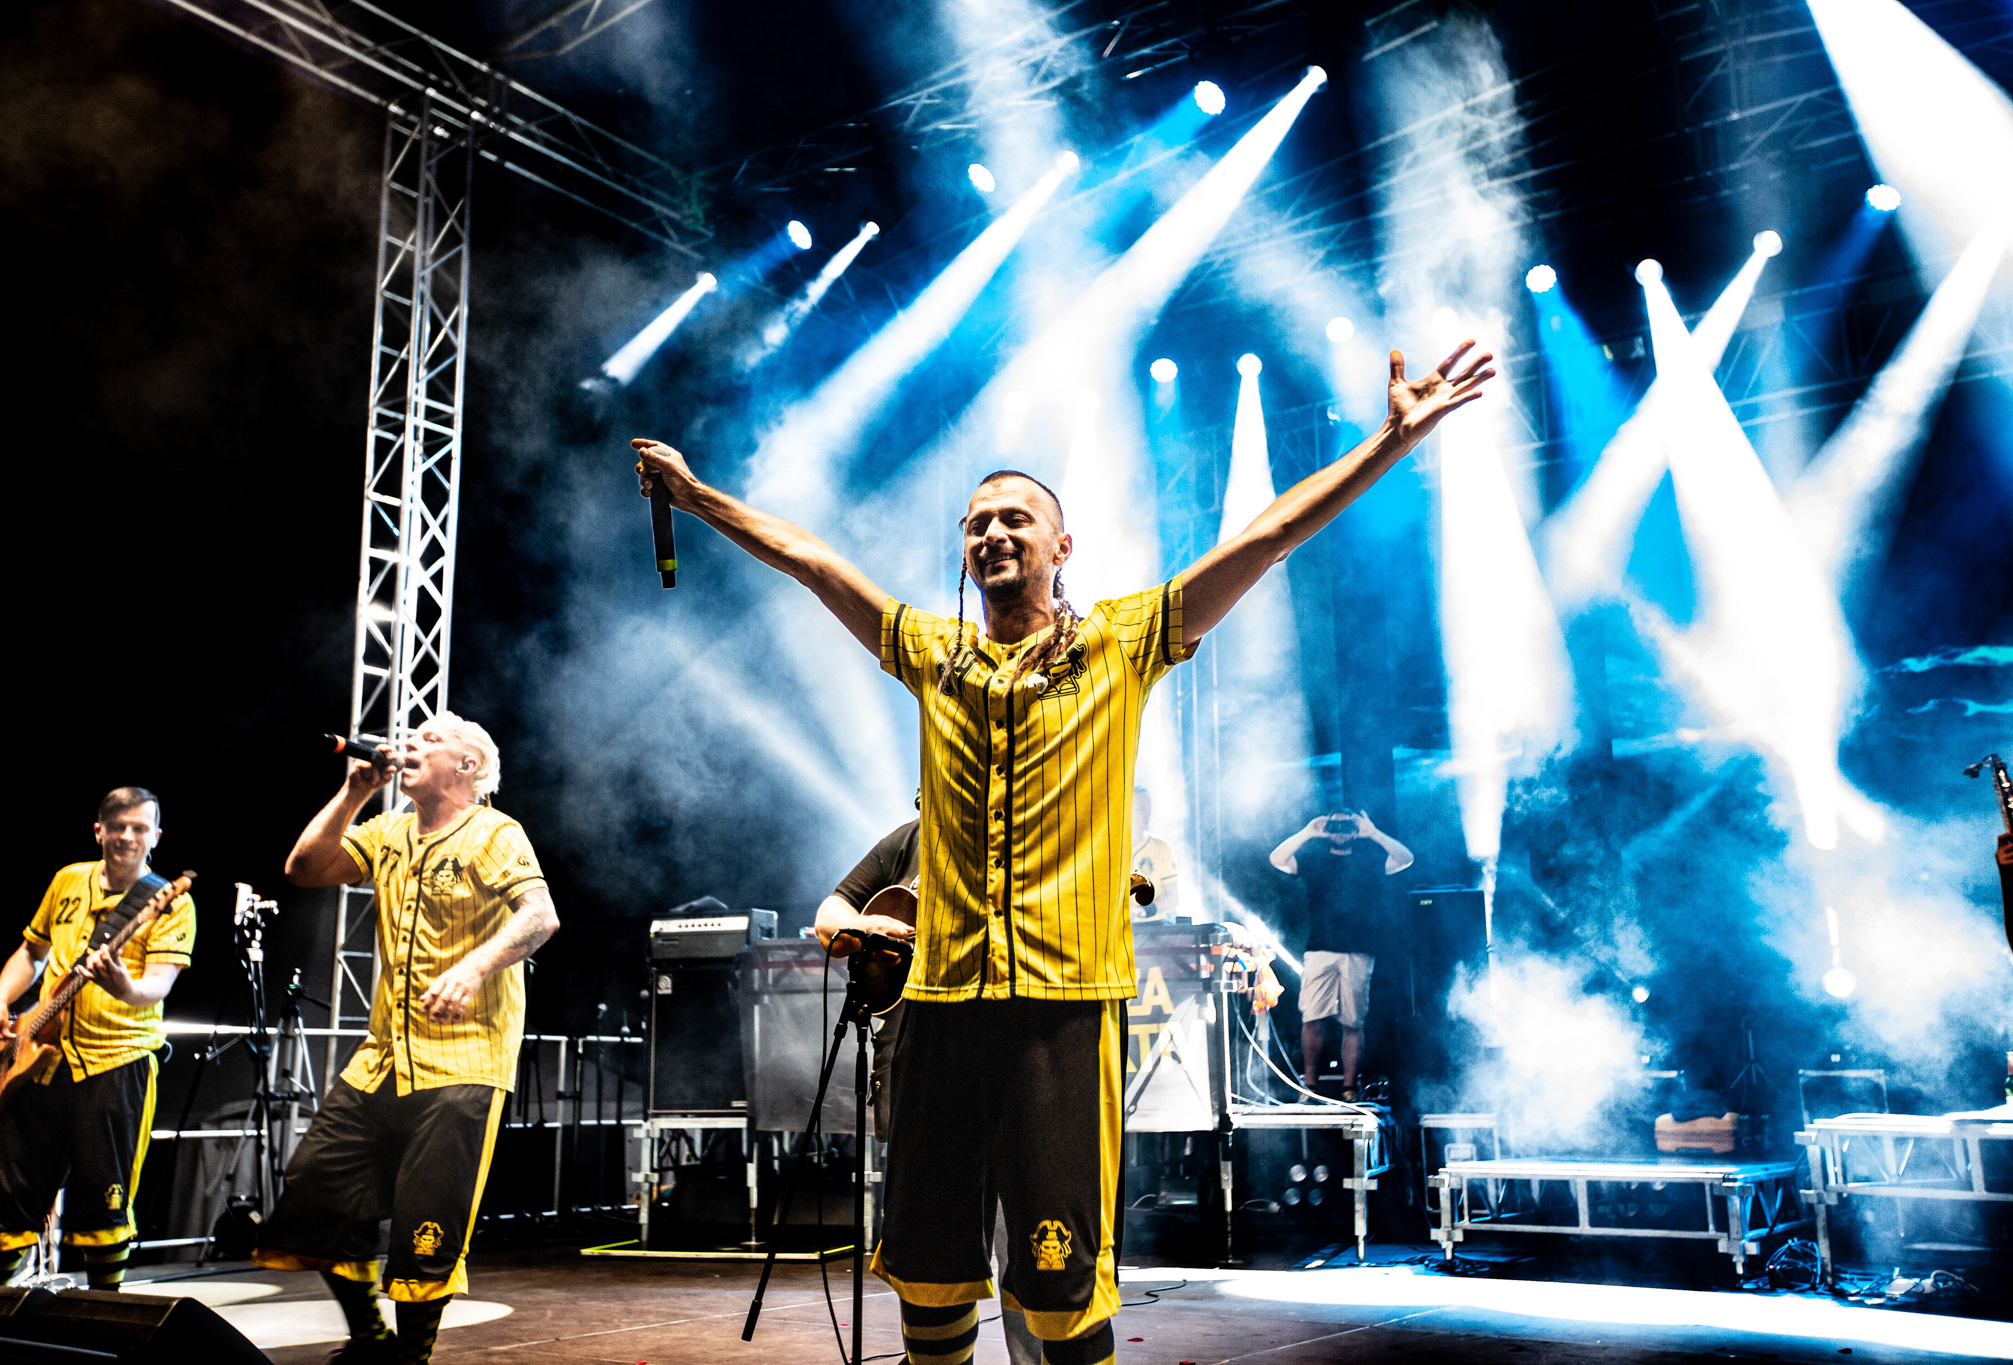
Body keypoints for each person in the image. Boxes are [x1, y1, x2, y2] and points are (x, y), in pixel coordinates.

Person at [633, 340, 1490, 1365]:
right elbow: (813, 562)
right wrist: (698, 497)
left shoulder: (1122, 642)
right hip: (939, 1007)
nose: (992, 532)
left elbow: (1267, 537)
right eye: (975, 523)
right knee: (930, 1269)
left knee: (1058, 1282)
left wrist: (1391, 441)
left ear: (1061, 546)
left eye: (1014, 518)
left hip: (1061, 1007)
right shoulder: (932, 653)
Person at [252, 714, 558, 1365]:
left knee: (427, 1224)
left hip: (464, 1060)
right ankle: (370, 1337)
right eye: (410, 736)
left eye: (430, 738)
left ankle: (411, 1359)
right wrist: (355, 792)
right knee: (318, 1191)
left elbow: (540, 915)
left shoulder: (494, 833)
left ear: (468, 766)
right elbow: (304, 867)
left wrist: (474, 967)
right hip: (382, 1058)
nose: (410, 742)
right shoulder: (389, 830)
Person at [815, 818, 1044, 1365]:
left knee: (1027, 1245)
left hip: (1012, 1058)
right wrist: (868, 926)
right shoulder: (911, 840)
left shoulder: (1028, 830)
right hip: (920, 1061)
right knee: (932, 1248)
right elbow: (830, 916)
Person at [0, 786, 196, 1291]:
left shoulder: (173, 903)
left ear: (156, 836)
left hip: (118, 1062)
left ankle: (103, 1315)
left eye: (139, 828)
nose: (127, 836)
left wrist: (125, 987)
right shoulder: (68, 879)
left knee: (104, 1205)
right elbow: (31, 952)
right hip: (39, 1059)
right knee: (6, 1200)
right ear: (99, 831)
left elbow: (157, 986)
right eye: (118, 826)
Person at [1269, 808, 1414, 1100]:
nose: (1341, 830)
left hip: (1359, 949)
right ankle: (1310, 1086)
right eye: (1335, 825)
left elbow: (1405, 859)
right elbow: (1277, 859)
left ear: (1355, 829)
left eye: (1347, 825)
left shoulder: (1369, 860)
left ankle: (1350, 1087)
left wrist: (1373, 833)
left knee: (1353, 1022)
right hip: (1320, 948)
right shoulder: (1314, 860)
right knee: (1312, 1018)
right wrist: (1308, 832)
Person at [1127, 787, 1180, 923]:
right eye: (1140, 808)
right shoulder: (1107, 849)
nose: (1147, 814)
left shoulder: (1162, 848)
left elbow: (1173, 897)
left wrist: (1147, 910)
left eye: (1148, 808)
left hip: (1154, 928)